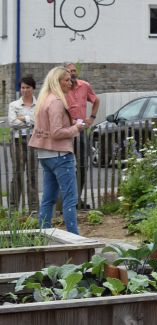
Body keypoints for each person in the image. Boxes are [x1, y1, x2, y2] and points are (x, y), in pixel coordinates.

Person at [29, 66, 86, 234]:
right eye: (66, 80)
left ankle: (43, 234)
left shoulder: (43, 99)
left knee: (48, 199)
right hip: (60, 155)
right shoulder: (56, 102)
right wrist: (76, 128)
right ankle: (74, 237)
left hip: (45, 155)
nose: (70, 82)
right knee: (70, 199)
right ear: (57, 82)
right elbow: (56, 132)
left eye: (70, 79)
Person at [64, 62, 100, 208]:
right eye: (69, 71)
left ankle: (77, 198)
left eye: (74, 70)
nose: (72, 73)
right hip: (65, 131)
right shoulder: (62, 88)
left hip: (81, 130)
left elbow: (96, 101)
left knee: (83, 164)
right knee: (65, 165)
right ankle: (66, 201)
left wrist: (92, 118)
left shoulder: (84, 85)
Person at [8, 75, 38, 209]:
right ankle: (13, 206)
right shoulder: (13, 105)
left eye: (28, 87)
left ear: (33, 88)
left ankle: (33, 207)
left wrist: (23, 118)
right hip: (17, 141)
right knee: (17, 173)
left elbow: (39, 122)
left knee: (32, 174)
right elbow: (12, 122)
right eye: (23, 87)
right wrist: (30, 120)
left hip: (33, 140)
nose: (25, 90)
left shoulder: (39, 105)